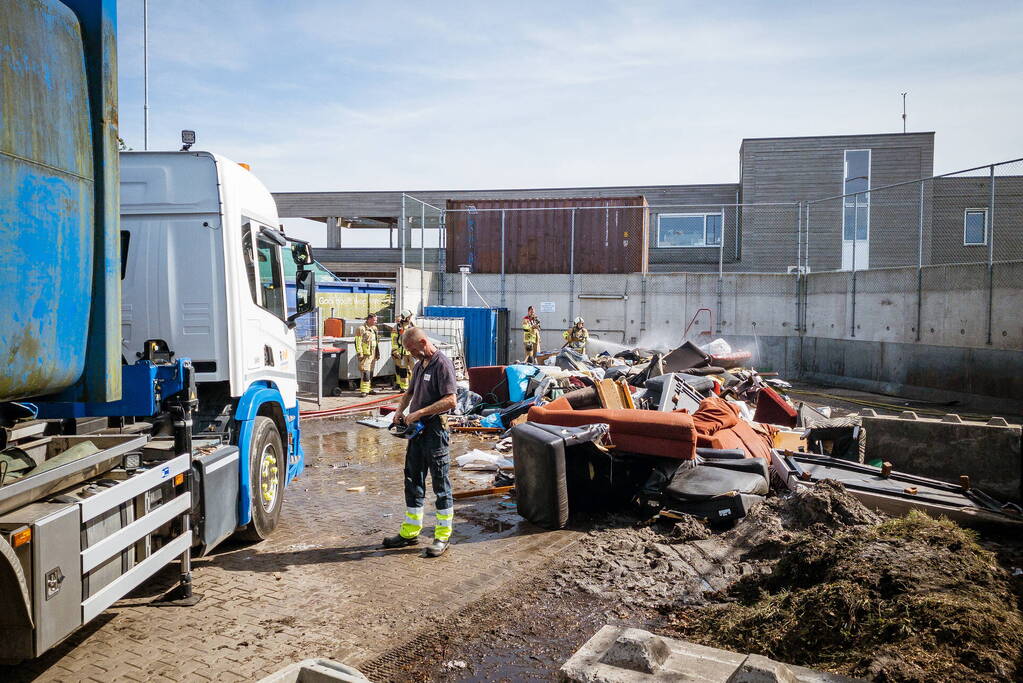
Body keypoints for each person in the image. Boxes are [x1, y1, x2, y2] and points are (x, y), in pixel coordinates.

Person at [383, 327, 458, 557]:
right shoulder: (419, 365)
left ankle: (442, 536)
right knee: (413, 478)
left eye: (413, 349)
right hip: (417, 433)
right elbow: (409, 392)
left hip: (435, 431)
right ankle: (410, 531)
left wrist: (419, 413)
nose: (412, 354)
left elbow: (451, 401)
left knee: (439, 482)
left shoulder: (442, 365)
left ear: (424, 342)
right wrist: (399, 411)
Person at [354, 314, 379, 397]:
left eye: (376, 320)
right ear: (369, 320)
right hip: (366, 354)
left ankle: (368, 388)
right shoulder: (361, 329)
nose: (376, 321)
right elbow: (358, 342)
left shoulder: (374, 329)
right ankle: (364, 390)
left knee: (370, 372)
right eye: (374, 320)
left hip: (373, 353)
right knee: (366, 372)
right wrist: (360, 353)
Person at [391, 310, 415, 392]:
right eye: (409, 317)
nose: (411, 318)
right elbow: (394, 340)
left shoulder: (412, 325)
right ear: (406, 318)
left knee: (413, 370)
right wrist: (395, 350)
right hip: (401, 353)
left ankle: (413, 386)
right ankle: (404, 387)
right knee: (403, 370)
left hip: (412, 352)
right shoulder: (397, 327)